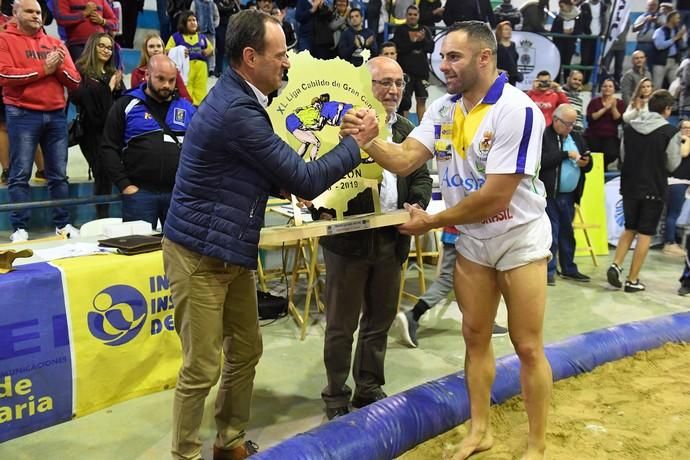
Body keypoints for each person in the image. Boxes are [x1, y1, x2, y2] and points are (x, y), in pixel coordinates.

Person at [162, 10, 379, 460]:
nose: (287, 63)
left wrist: (282, 176)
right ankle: (185, 454)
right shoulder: (237, 111)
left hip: (228, 252)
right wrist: (354, 146)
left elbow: (257, 170)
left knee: (245, 350)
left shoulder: (242, 100)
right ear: (249, 57)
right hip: (199, 255)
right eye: (280, 55)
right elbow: (304, 178)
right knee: (201, 367)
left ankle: (230, 441)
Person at [342, 20, 552, 460]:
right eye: (441, 57)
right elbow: (402, 160)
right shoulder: (441, 109)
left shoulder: (517, 109)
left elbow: (496, 195)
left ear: (484, 57)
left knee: (527, 345)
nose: (443, 65)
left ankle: (536, 445)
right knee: (474, 337)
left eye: (453, 57)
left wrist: (433, 222)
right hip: (473, 239)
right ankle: (480, 431)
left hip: (518, 236)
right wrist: (369, 140)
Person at [319, 56, 432, 420]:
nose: (394, 90)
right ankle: (336, 392)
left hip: (391, 240)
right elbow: (318, 176)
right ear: (366, 85)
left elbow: (422, 177)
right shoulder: (339, 126)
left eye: (398, 83)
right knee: (341, 326)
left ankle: (368, 386)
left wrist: (415, 203)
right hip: (346, 244)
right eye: (385, 82)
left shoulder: (406, 131)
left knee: (379, 321)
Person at [0, 0, 81, 243]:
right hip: (22, 113)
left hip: (56, 115)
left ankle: (62, 224)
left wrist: (55, 69)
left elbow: (74, 81)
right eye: (30, 11)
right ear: (15, 13)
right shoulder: (5, 40)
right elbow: (5, 74)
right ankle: (20, 228)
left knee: (58, 175)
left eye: (38, 12)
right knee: (20, 174)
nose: (36, 16)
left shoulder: (55, 43)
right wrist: (44, 69)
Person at [101, 55, 195, 229]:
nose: (166, 85)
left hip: (177, 195)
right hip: (139, 194)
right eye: (160, 78)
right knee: (139, 251)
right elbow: (108, 148)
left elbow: (199, 152)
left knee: (180, 253)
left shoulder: (187, 109)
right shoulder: (126, 104)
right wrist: (125, 185)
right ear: (147, 75)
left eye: (171, 80)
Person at [608, 90, 686, 292]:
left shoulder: (630, 128)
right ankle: (632, 280)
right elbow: (673, 164)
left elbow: (623, 155)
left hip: (629, 186)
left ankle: (616, 264)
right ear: (667, 110)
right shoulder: (670, 132)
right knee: (645, 233)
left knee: (629, 227)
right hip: (653, 188)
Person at [396, 225, 509, 349]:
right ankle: (414, 315)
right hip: (466, 234)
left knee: (467, 278)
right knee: (451, 278)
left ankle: (485, 322)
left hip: (459, 233)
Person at [70, 32, 125, 219]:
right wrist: (109, 89)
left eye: (109, 47)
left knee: (107, 173)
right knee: (101, 170)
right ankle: (101, 217)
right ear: (92, 46)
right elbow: (91, 109)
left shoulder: (112, 73)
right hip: (91, 132)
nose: (106, 50)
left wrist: (115, 89)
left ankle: (106, 216)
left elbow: (119, 104)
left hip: (111, 131)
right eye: (101, 46)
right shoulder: (82, 72)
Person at [540, 104, 592, 286]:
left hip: (569, 195)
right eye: (567, 124)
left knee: (567, 232)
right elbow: (541, 162)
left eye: (573, 123)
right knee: (551, 233)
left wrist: (586, 162)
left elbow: (588, 162)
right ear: (555, 120)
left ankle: (569, 268)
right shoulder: (544, 136)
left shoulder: (577, 136)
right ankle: (548, 271)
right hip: (550, 194)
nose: (571, 127)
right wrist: (565, 154)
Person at [392, 5, 434, 121]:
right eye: (410, 14)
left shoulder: (425, 30)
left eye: (415, 14)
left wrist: (423, 39)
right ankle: (404, 130)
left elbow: (431, 48)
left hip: (422, 72)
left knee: (422, 99)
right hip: (406, 72)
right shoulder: (400, 30)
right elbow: (400, 49)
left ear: (418, 16)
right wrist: (415, 42)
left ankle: (422, 128)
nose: (412, 17)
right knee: (405, 102)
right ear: (406, 15)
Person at [166, 10, 213, 106]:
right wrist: (179, 50)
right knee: (186, 88)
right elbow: (167, 50)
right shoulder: (176, 37)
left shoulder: (202, 37)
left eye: (194, 20)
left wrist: (207, 51)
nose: (193, 22)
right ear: (183, 23)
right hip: (186, 68)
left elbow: (210, 48)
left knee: (201, 89)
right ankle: (187, 107)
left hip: (201, 68)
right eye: (189, 20)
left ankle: (199, 108)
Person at [131, 33, 192, 102]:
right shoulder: (137, 73)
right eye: (151, 46)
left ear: (163, 49)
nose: (156, 49)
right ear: (145, 50)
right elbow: (134, 98)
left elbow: (185, 96)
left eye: (159, 46)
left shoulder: (173, 70)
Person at [53, 0, 118, 61]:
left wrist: (102, 21)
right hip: (78, 45)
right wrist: (84, 14)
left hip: (100, 44)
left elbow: (115, 23)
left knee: (102, 72)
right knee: (81, 71)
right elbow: (61, 18)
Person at [663, 118, 690, 257]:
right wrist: (686, 138)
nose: (687, 130)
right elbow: (684, 153)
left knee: (673, 214)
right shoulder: (680, 141)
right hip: (676, 182)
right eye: (685, 128)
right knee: (672, 214)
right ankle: (670, 243)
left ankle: (670, 241)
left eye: (689, 128)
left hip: (681, 182)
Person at [585, 78, 624, 170]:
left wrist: (613, 107)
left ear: (614, 89)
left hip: (610, 136)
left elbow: (618, 120)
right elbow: (591, 118)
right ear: (601, 88)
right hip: (593, 134)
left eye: (610, 86)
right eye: (605, 86)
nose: (607, 88)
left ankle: (603, 167)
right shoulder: (594, 102)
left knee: (611, 153)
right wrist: (605, 109)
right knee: (592, 149)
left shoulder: (620, 103)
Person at [651, 9, 685, 89]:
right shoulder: (660, 31)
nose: (679, 20)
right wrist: (675, 38)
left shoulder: (677, 31)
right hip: (661, 62)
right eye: (677, 18)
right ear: (671, 18)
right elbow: (659, 46)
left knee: (676, 86)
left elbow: (682, 47)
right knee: (657, 85)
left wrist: (682, 37)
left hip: (674, 61)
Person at [633, 0, 660, 73]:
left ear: (657, 6)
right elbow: (634, 29)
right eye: (650, 5)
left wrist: (657, 22)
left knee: (651, 67)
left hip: (653, 45)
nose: (652, 7)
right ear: (647, 6)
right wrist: (645, 21)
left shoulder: (660, 17)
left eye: (654, 5)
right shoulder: (642, 17)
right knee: (638, 65)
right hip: (641, 44)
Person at [495, 20, 522, 86]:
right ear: (500, 31)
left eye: (510, 29)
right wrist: (498, 70)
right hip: (500, 77)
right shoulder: (496, 46)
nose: (509, 31)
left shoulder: (513, 45)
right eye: (506, 29)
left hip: (512, 77)